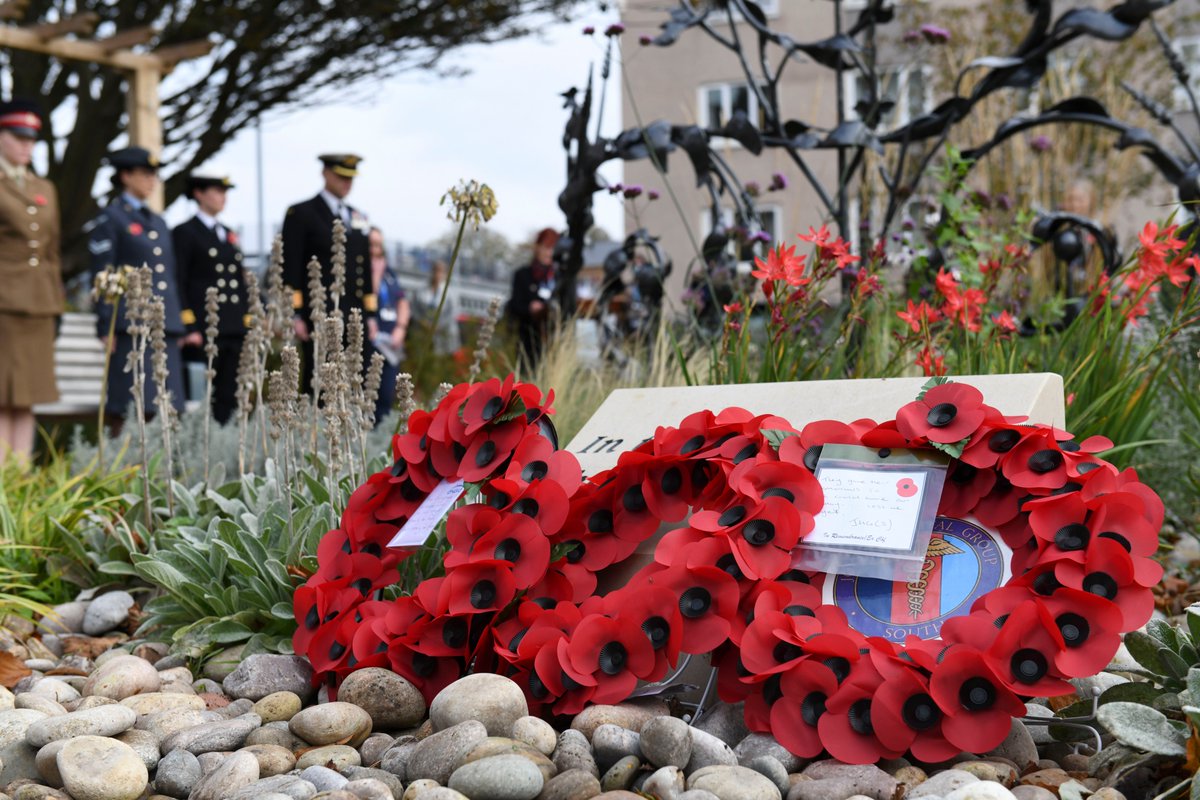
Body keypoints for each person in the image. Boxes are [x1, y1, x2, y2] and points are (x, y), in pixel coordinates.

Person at [87, 146, 194, 423]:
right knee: (130, 405)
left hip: (163, 326)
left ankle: (161, 466)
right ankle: (126, 464)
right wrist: (105, 324)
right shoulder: (111, 218)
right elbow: (104, 275)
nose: (152, 180)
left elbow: (168, 275)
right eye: (145, 173)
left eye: (154, 175)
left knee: (166, 407)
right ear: (125, 176)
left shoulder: (157, 221)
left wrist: (177, 321)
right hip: (129, 326)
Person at [0, 99, 63, 465]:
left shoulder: (45, 187)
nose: (27, 145)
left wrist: (55, 299)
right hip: (4, 303)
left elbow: (52, 249)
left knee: (28, 395)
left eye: (31, 139)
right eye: (18, 137)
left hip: (39, 305)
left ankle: (20, 477)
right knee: (3, 395)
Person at [281, 153, 373, 390]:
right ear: (325, 173)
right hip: (319, 313)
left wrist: (370, 314)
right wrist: (295, 313)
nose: (347, 183)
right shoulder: (302, 213)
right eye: (341, 176)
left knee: (355, 381)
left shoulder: (358, 216)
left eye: (350, 178)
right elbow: (291, 266)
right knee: (321, 381)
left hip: (354, 313)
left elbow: (365, 268)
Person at [172, 173, 248, 424]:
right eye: (216, 191)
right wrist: (188, 324)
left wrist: (248, 318)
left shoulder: (227, 233)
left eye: (224, 192)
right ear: (199, 194)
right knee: (202, 395)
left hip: (233, 325)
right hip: (204, 327)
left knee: (229, 393)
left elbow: (240, 279)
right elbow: (179, 280)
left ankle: (224, 442)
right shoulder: (185, 232)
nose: (222, 197)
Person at [365, 227, 410, 423]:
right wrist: (374, 274)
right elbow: (368, 298)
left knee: (386, 396)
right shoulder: (365, 272)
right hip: (370, 344)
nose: (375, 250)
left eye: (378, 245)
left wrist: (401, 328)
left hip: (390, 343)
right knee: (369, 397)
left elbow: (402, 301)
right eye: (371, 245)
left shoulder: (389, 272)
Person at [507, 227, 559, 367]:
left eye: (553, 248)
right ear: (537, 248)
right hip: (528, 343)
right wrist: (530, 308)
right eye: (546, 247)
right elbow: (514, 305)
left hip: (554, 345)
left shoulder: (559, 278)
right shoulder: (523, 275)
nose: (549, 252)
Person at [415, 260, 460, 355]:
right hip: (424, 331)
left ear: (446, 274)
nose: (437, 274)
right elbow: (415, 309)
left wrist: (437, 326)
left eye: (440, 271)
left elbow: (453, 314)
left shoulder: (451, 293)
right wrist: (424, 322)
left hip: (443, 334)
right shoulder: (421, 290)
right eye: (435, 270)